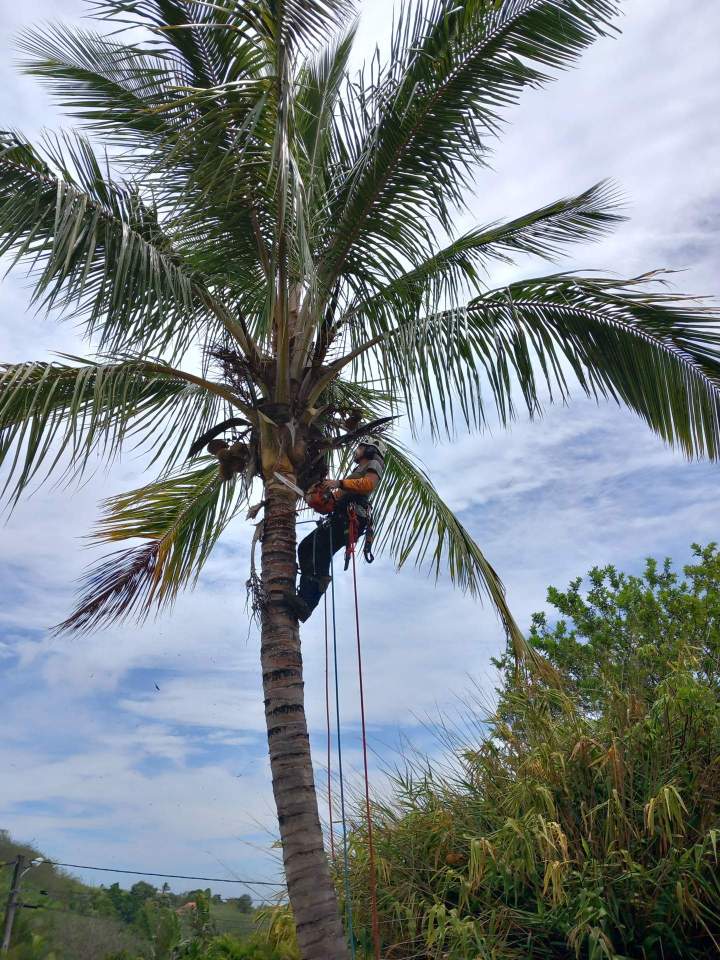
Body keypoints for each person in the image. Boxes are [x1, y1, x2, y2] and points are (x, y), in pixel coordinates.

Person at [283, 436, 386, 622]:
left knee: (318, 551)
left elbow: (368, 484)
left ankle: (307, 603)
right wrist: (319, 500)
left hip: (351, 519)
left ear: (371, 449)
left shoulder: (374, 463)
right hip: (341, 517)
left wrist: (339, 483)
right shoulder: (356, 471)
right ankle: (304, 599)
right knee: (307, 548)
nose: (357, 450)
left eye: (361, 447)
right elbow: (336, 500)